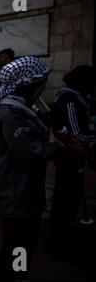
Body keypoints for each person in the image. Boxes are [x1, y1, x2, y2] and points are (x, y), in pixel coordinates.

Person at [0, 56, 55, 282]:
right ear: (29, 86)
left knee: (17, 243)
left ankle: (12, 275)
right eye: (40, 85)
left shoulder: (18, 110)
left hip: (19, 193)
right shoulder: (12, 115)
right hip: (16, 195)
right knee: (18, 246)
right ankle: (14, 277)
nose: (42, 89)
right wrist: (54, 147)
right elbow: (29, 153)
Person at [48, 65, 96, 258]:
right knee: (64, 199)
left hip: (74, 157)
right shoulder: (70, 101)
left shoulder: (80, 100)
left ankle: (61, 235)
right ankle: (57, 239)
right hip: (68, 158)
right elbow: (77, 134)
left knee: (70, 197)